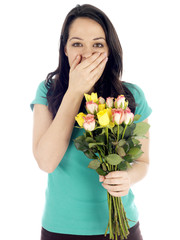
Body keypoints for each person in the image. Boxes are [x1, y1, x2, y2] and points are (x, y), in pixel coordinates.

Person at [31, 4, 152, 240]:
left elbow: (142, 161)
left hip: (121, 226)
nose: (87, 54)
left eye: (97, 44)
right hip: (61, 228)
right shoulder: (47, 91)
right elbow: (46, 162)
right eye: (77, 43)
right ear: (64, 48)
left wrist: (128, 177)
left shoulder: (131, 96)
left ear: (109, 50)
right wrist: (74, 92)